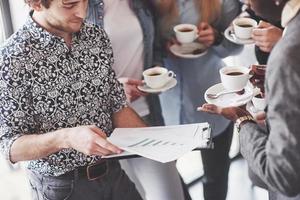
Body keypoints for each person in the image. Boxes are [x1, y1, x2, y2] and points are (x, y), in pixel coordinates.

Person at [0, 0, 149, 199]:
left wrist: (168, 142)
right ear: (36, 3)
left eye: (85, 1)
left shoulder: (96, 37)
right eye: (69, 5)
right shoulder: (13, 58)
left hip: (113, 174)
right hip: (63, 188)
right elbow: (11, 147)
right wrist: (67, 138)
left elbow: (117, 107)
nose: (82, 12)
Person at [200, 0, 300, 199]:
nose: (244, 1)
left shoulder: (287, 53)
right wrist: (277, 85)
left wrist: (242, 119)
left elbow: (282, 176)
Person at [86, 1, 185, 200]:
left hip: (146, 114)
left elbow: (153, 47)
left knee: (171, 194)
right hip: (105, 127)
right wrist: (111, 90)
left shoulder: (140, 3)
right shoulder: (77, 7)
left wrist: (153, 78)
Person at [153, 0, 242, 199]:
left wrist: (216, 38)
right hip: (168, 105)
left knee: (216, 175)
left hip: (211, 101)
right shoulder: (151, 3)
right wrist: (162, 46)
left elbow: (236, 48)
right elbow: (146, 41)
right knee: (166, 176)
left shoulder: (222, 3)